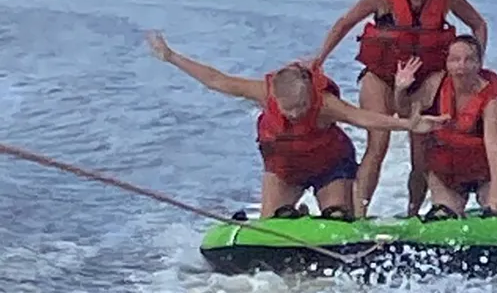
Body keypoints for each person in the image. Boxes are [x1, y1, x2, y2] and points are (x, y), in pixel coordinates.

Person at [145, 31, 449, 221]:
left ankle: (331, 214)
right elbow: (217, 80)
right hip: (285, 168)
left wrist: (410, 124)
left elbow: (363, 118)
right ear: (275, 98)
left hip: (330, 165)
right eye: (288, 109)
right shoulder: (264, 92)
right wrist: (171, 57)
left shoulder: (324, 103)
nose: (295, 114)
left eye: (301, 107)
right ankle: (297, 215)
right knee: (276, 224)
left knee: (338, 218)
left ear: (309, 95)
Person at [309, 0, 490, 218]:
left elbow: (478, 24)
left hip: (424, 78)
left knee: (420, 153)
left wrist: (474, 63)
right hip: (381, 76)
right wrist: (319, 59)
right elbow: (345, 22)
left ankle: (413, 213)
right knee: (377, 143)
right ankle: (358, 215)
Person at [393, 35, 497, 219]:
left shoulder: (492, 96)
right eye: (455, 60)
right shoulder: (436, 83)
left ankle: (496, 202)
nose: (461, 66)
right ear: (447, 63)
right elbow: (405, 114)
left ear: (479, 64)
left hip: (487, 172)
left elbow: (494, 145)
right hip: (448, 172)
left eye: (469, 60)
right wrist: (400, 89)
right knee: (442, 217)